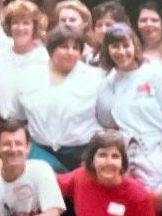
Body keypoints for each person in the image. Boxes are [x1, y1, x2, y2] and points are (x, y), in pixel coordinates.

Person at [98, 23, 162, 189]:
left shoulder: (154, 71)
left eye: (126, 45)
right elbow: (108, 122)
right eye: (115, 46)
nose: (121, 52)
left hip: (155, 151)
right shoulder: (110, 80)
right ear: (108, 49)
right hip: (126, 153)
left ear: (134, 45)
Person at [12, 25, 104, 171]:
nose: (70, 52)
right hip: (40, 153)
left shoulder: (96, 77)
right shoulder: (29, 76)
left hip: (82, 154)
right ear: (51, 49)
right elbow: (19, 116)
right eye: (64, 47)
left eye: (76, 48)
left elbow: (106, 119)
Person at [0, 0, 48, 123]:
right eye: (15, 22)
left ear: (34, 27)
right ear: (9, 26)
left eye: (26, 23)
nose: (20, 27)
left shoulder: (45, 58)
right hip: (3, 126)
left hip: (34, 127)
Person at [87, 0, 129, 67]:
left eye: (109, 25)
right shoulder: (88, 59)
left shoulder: (129, 58)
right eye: (99, 25)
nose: (103, 30)